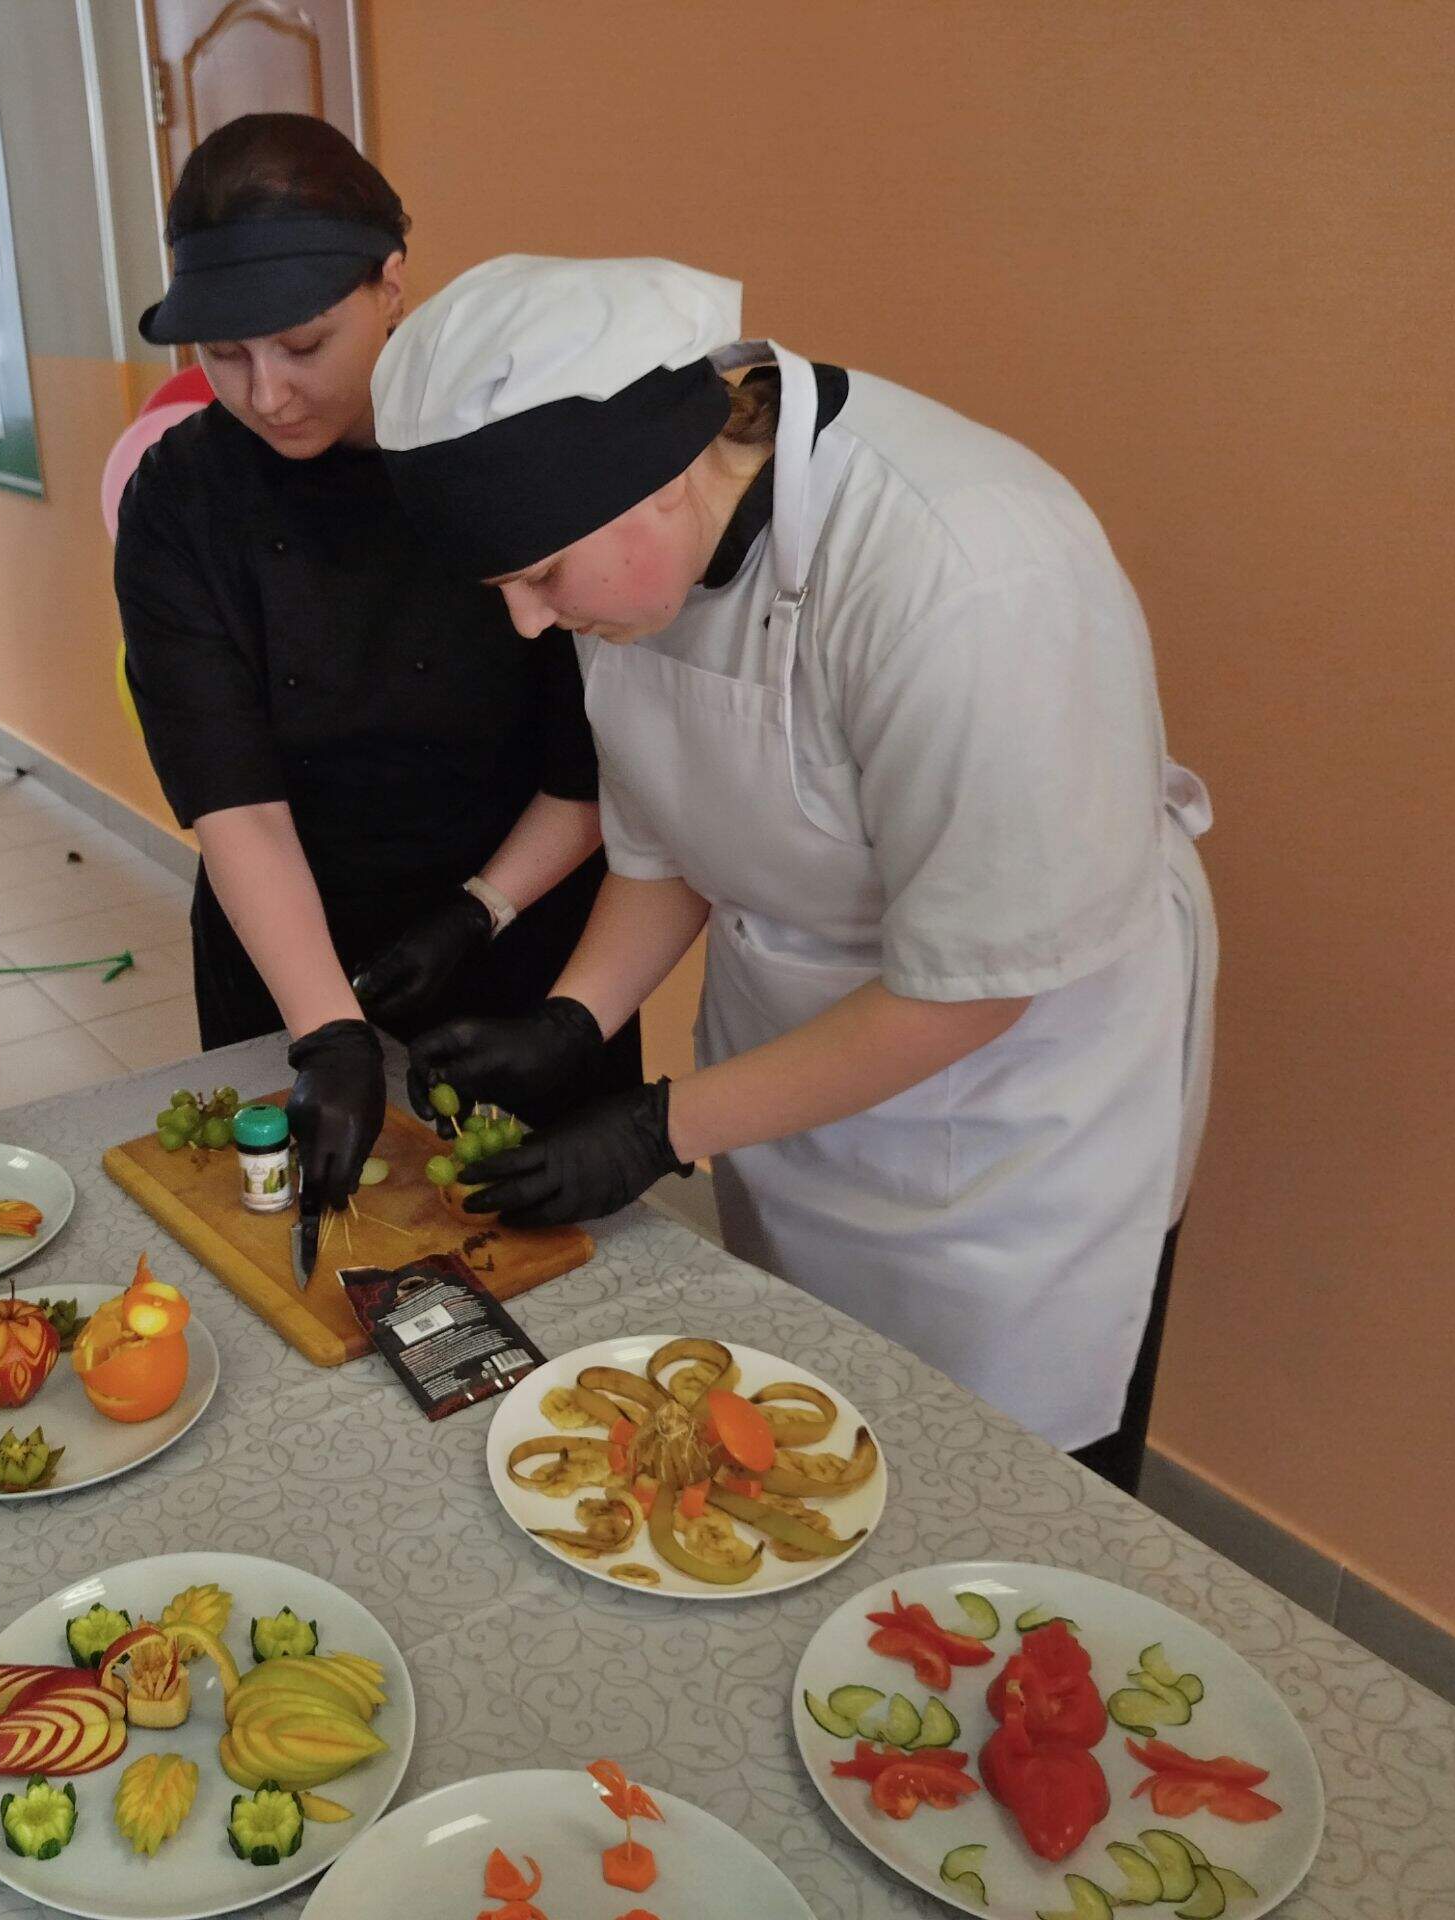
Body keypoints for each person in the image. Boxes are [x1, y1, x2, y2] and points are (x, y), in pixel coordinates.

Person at [373, 257, 1216, 1490]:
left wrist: (662, 1127)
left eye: (539, 576)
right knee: (803, 1442)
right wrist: (574, 1017)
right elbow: (677, 835)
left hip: (1009, 1124)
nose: (527, 622)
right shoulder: (631, 560)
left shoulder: (966, 570)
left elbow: (976, 987)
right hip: (797, 1082)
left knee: (1004, 1489)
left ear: (660, 476)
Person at [118, 115, 637, 1254]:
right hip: (287, 944)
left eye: (303, 345)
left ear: (391, 283)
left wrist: (477, 910)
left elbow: (596, 762)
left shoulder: (509, 446)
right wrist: (327, 1031)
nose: (267, 393)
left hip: (521, 932)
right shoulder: (181, 501)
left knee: (554, 1267)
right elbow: (234, 800)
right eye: (224, 356)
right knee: (305, 1259)